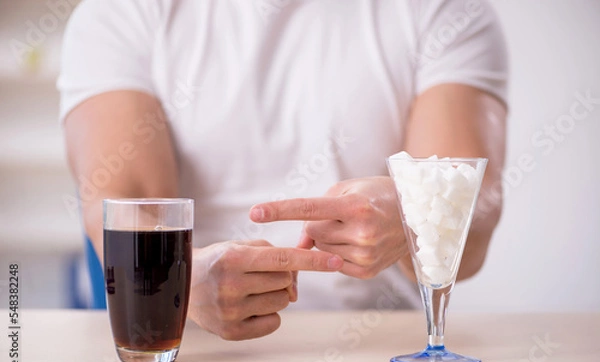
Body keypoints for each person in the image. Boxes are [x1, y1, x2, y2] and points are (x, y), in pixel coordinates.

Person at [59, 0, 508, 340]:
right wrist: (182, 280)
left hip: (381, 349)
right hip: (190, 347)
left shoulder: (446, 11)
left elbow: (472, 206)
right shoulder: (119, 13)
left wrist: (411, 212)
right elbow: (121, 206)